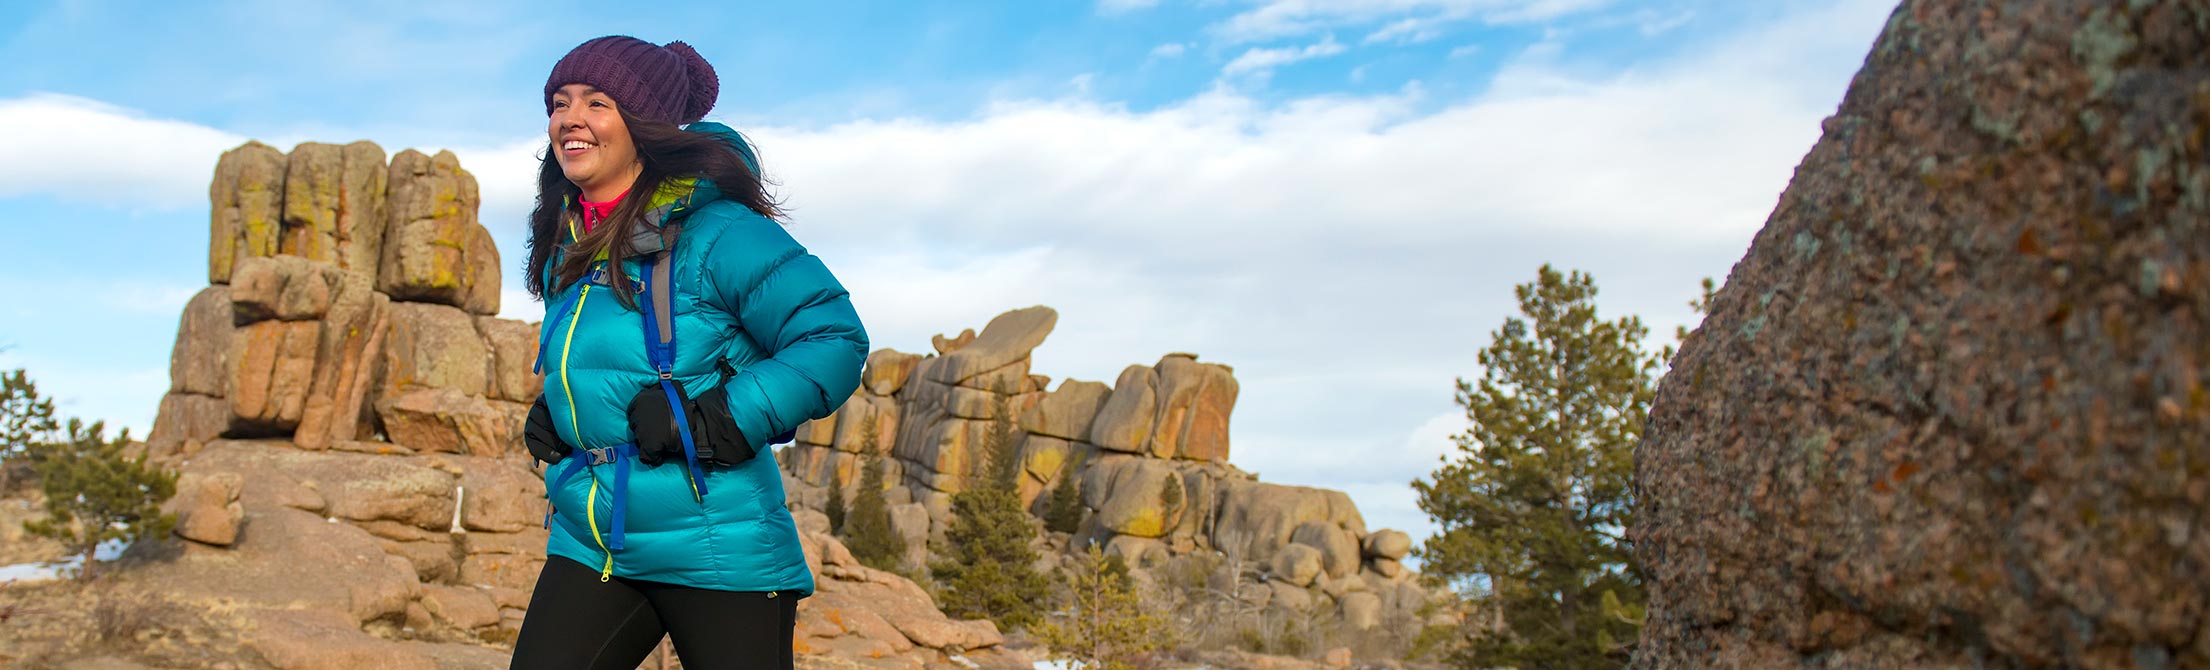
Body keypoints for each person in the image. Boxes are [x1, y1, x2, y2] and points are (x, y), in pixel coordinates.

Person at [509, 35, 868, 670]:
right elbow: (627, 360)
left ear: (643, 127)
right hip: (594, 542)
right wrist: (569, 413)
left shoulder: (716, 230)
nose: (571, 119)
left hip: (716, 544)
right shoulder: (574, 236)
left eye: (598, 103)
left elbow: (833, 338)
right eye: (560, 102)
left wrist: (717, 418)